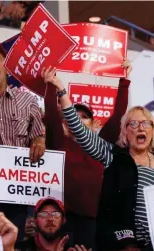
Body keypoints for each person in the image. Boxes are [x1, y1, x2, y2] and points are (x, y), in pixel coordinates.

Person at [43, 69, 154, 250]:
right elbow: (80, 130)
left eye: (145, 123)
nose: (140, 128)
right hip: (119, 245)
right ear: (125, 131)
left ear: (153, 130)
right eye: (133, 124)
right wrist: (60, 89)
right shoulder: (113, 156)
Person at [42, 61, 132, 250]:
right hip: (62, 219)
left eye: (85, 116)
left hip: (92, 221)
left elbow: (117, 117)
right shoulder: (59, 142)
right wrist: (50, 83)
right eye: (75, 116)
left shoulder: (100, 145)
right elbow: (51, 114)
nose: (79, 120)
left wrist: (124, 81)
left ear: (93, 123)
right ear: (66, 122)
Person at [0, 38, 46, 242]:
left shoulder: (28, 100)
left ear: (6, 67)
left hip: (18, 184)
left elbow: (39, 134)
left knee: (16, 241)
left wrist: (39, 141)